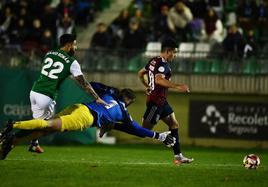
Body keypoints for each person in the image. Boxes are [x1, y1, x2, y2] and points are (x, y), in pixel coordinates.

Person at [0, 82, 176, 160]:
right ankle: (12, 126)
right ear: (129, 101)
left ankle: (12, 142)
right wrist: (158, 136)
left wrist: (109, 89)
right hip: (85, 117)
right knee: (49, 125)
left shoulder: (109, 94)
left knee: (48, 128)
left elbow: (92, 84)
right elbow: (137, 129)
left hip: (79, 106)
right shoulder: (123, 111)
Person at [26, 33, 107, 153]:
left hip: (34, 91)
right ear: (69, 45)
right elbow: (83, 82)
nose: (76, 48)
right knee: (47, 125)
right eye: (74, 44)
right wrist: (96, 98)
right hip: (47, 95)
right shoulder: (72, 62)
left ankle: (33, 143)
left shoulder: (49, 53)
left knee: (38, 122)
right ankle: (10, 131)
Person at [137, 38, 194, 165]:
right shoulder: (162, 64)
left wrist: (147, 85)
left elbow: (141, 73)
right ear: (168, 51)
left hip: (161, 100)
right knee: (143, 131)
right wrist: (178, 86)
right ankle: (161, 136)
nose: (175, 55)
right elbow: (158, 80)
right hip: (155, 102)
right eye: (174, 52)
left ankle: (178, 156)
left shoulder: (153, 60)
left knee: (174, 124)